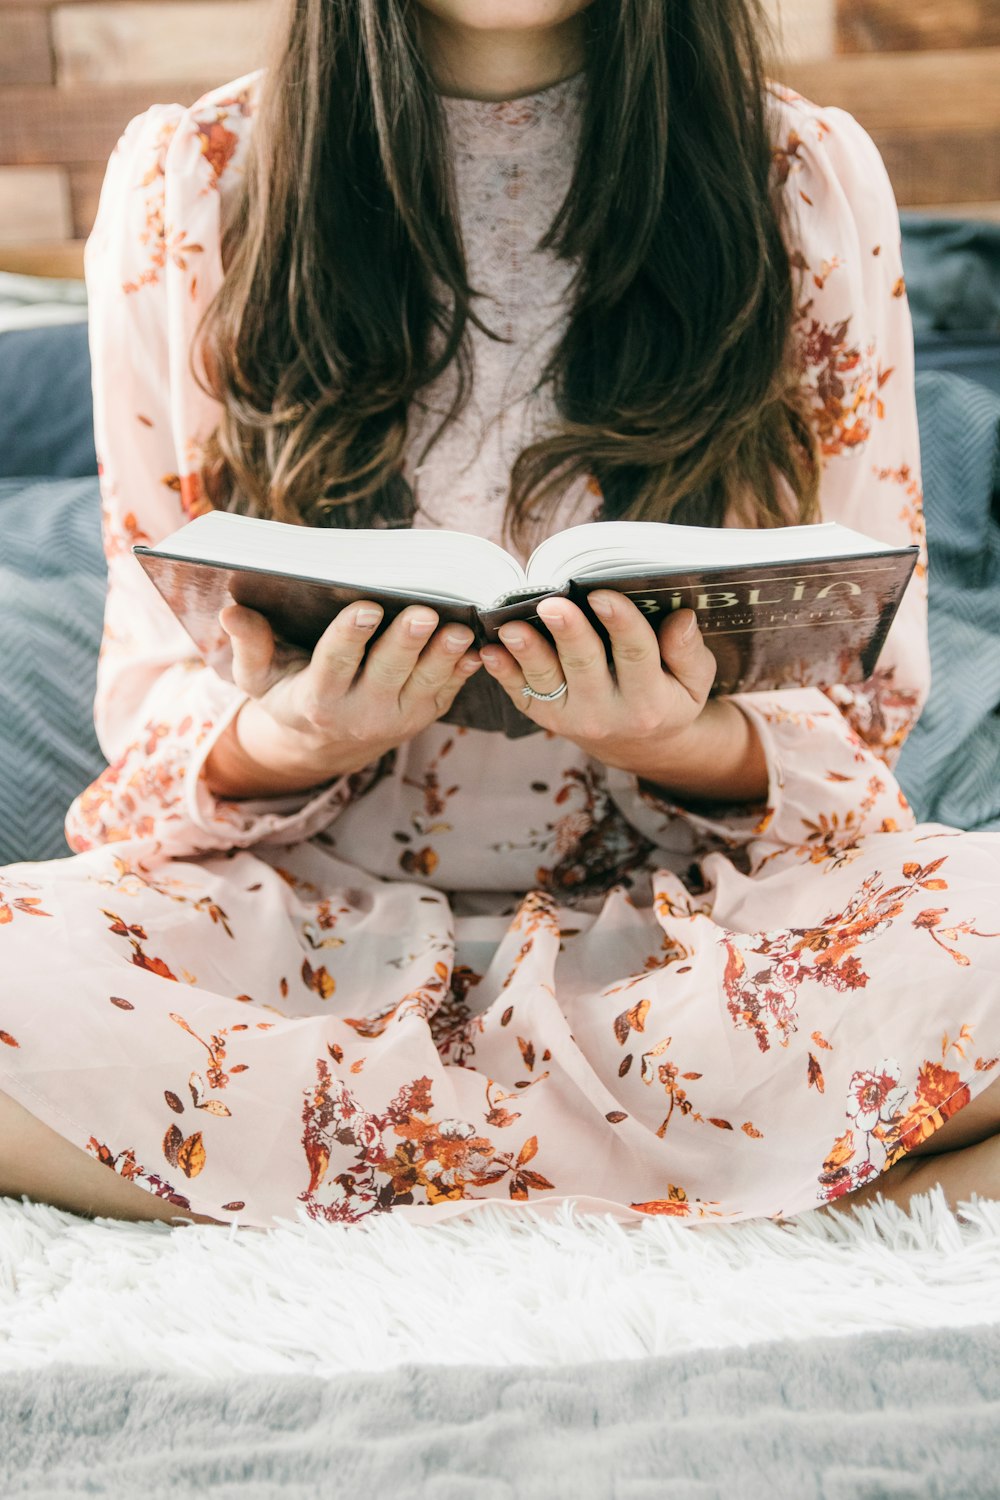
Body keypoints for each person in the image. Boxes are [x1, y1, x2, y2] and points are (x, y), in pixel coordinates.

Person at [1, 0, 998, 1231]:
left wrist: (672, 741)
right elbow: (154, 692)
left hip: (709, 933)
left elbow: (862, 708)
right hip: (295, 942)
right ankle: (778, 1176)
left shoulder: (801, 175)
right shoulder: (193, 180)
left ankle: (372, 1166)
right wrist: (301, 734)